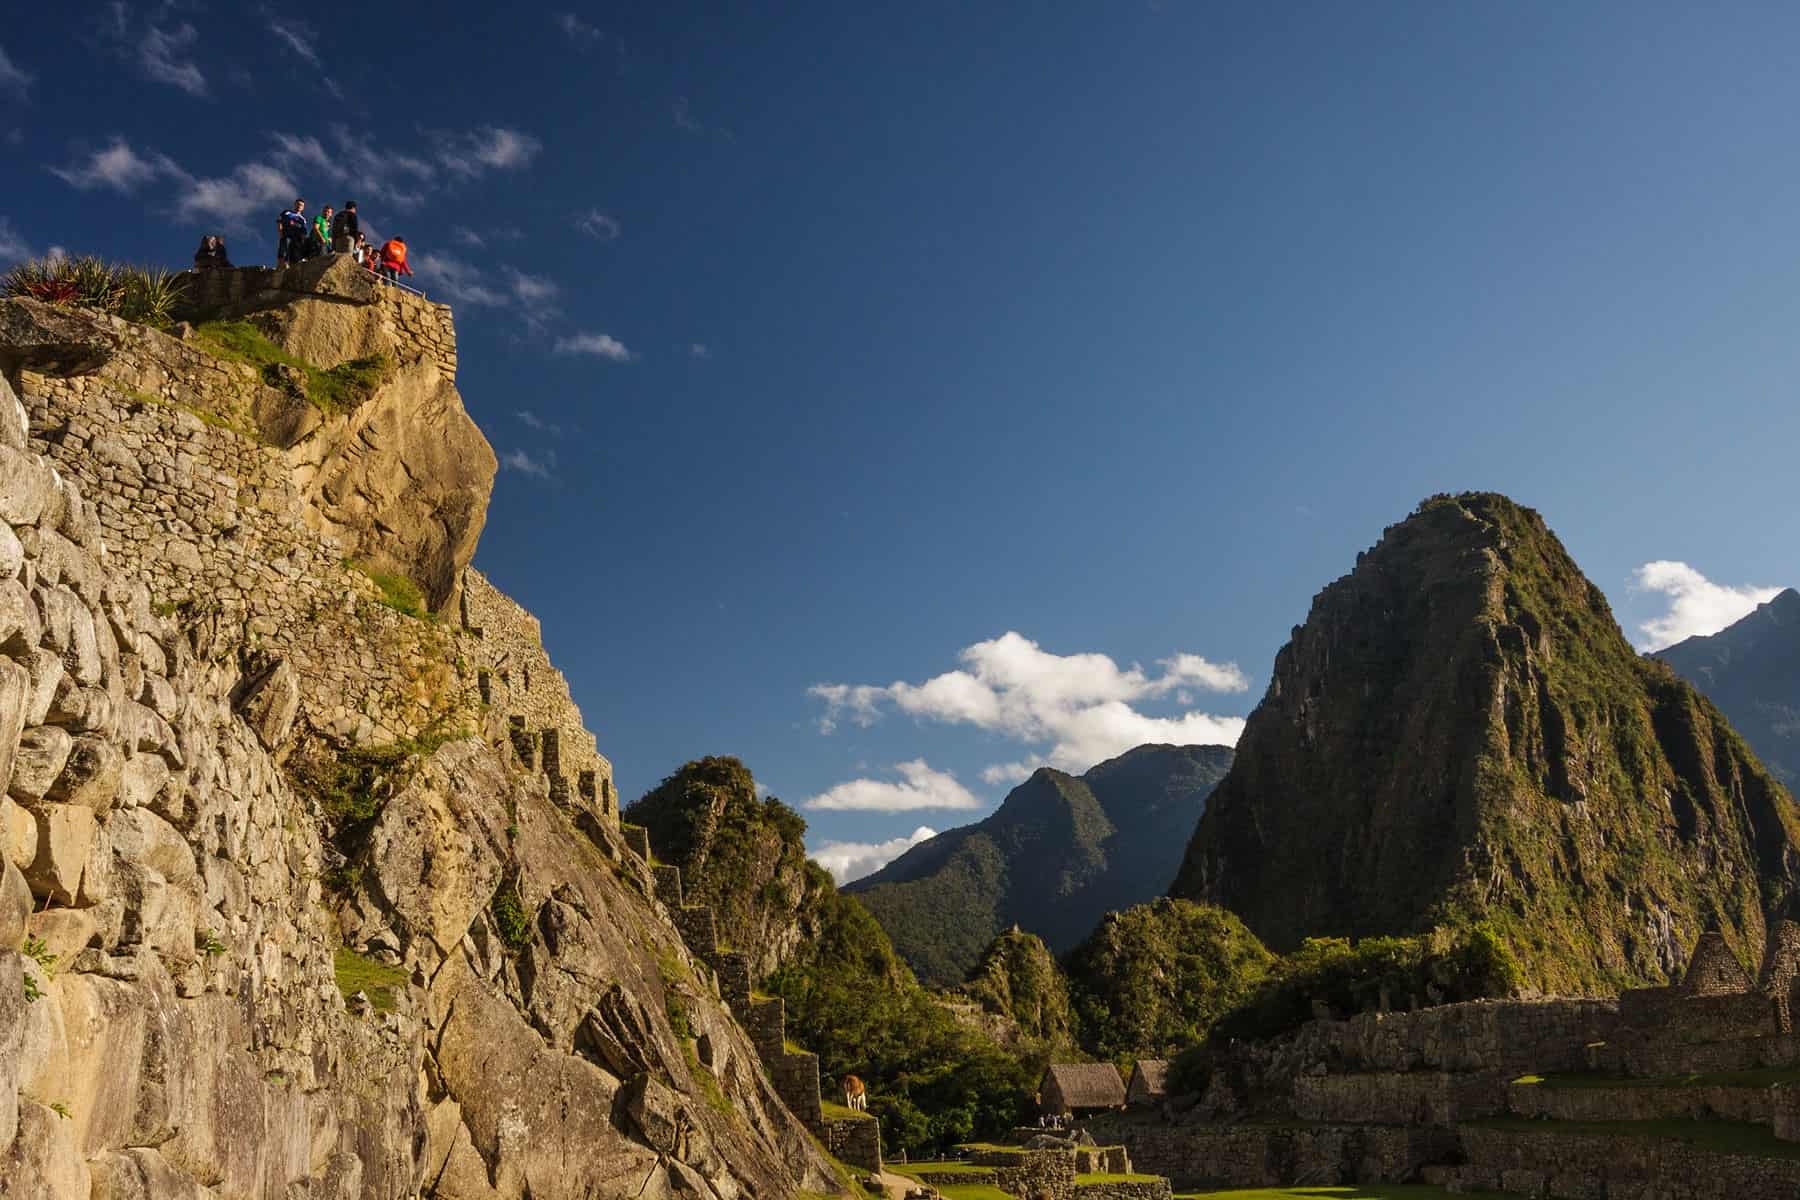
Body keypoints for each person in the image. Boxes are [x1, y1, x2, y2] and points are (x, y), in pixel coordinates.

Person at [277, 198, 308, 267]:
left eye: (301, 205)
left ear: (303, 208)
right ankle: (280, 267)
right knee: (283, 251)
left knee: (294, 255)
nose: (299, 206)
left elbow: (304, 230)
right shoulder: (287, 212)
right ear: (295, 205)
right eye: (298, 204)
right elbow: (279, 221)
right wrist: (280, 231)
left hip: (297, 239)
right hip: (287, 235)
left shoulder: (303, 219)